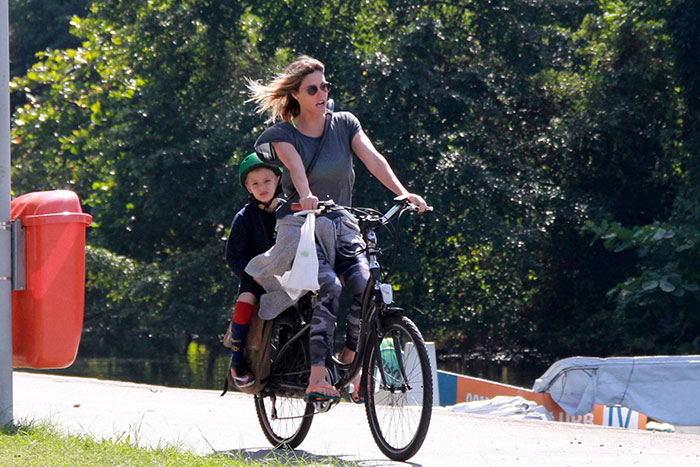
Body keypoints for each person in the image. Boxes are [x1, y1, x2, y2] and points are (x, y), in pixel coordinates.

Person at [247, 55, 427, 402]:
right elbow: (295, 169)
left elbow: (373, 158)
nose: (321, 93)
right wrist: (307, 196)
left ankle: (349, 361)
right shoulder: (283, 134)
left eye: (325, 86)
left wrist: (402, 192)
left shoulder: (344, 123)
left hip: (341, 223)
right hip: (302, 224)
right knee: (328, 286)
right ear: (296, 95)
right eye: (312, 88)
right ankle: (317, 375)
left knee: (363, 282)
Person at [224, 152, 283, 389]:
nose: (262, 187)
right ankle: (237, 359)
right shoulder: (244, 217)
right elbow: (233, 257)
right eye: (255, 184)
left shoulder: (290, 210)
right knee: (245, 300)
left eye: (267, 181)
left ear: (278, 179)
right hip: (255, 278)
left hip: (288, 276)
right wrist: (253, 275)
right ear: (247, 187)